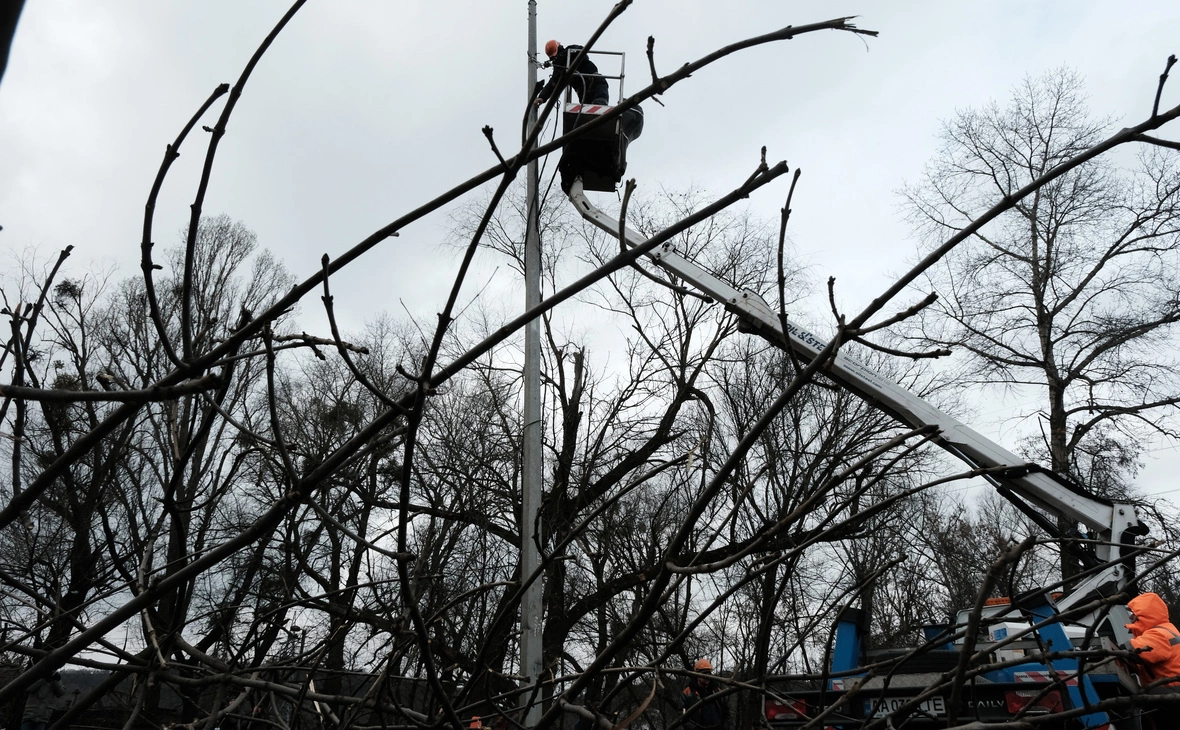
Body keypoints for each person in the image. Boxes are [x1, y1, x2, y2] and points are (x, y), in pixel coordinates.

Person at [1124, 592, 1180, 689]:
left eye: (1133, 613)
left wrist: (1113, 651)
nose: (1130, 616)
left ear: (1145, 614)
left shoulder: (1158, 634)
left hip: (1170, 689)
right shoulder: (1166, 629)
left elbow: (1136, 651)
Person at [534, 40, 610, 107]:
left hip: (592, 82)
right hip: (586, 88)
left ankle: (600, 104)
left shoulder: (570, 51)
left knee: (598, 100)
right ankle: (600, 104)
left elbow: (582, 52)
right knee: (597, 98)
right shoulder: (559, 69)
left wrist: (563, 57)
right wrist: (542, 97)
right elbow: (552, 84)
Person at [681, 658, 727, 730]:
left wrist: (725, 727)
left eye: (709, 673)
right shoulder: (687, 693)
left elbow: (727, 712)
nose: (707, 677)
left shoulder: (718, 691)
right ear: (697, 675)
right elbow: (682, 716)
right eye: (704, 673)